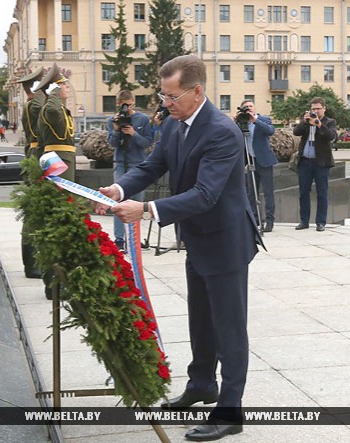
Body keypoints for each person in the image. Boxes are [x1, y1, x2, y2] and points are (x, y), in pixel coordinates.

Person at [96, 55, 262, 441]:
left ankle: (231, 411)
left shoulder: (222, 131)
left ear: (197, 91)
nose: (165, 103)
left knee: (229, 328)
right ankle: (202, 384)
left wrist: (146, 210)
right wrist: (119, 189)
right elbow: (153, 166)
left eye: (171, 96)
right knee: (200, 319)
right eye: (162, 95)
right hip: (197, 239)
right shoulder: (173, 125)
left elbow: (205, 194)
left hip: (225, 242)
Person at [107, 90, 153, 251]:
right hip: (120, 164)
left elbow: (147, 142)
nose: (127, 108)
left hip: (138, 164)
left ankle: (134, 238)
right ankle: (119, 239)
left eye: (130, 104)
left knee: (137, 203)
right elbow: (113, 143)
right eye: (124, 105)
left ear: (133, 102)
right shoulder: (113, 120)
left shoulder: (143, 119)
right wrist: (116, 129)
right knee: (117, 202)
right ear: (119, 104)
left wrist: (133, 133)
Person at [16, 67, 45, 279]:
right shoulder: (34, 105)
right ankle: (32, 264)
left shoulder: (33, 104)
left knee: (35, 214)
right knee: (33, 215)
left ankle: (34, 262)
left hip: (35, 155)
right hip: (36, 157)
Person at [293, 97, 338, 232]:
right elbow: (296, 132)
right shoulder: (307, 121)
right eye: (313, 109)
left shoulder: (330, 122)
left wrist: (319, 124)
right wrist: (304, 121)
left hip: (321, 163)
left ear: (324, 108)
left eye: (318, 108)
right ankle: (304, 221)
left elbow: (332, 136)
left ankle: (320, 222)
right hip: (305, 161)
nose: (315, 111)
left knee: (322, 193)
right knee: (303, 193)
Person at [236, 99, 277, 233]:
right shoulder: (241, 122)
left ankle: (269, 221)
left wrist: (255, 121)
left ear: (254, 107)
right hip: (249, 160)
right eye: (245, 107)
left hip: (264, 161)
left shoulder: (264, 119)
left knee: (268, 192)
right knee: (251, 193)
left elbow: (270, 131)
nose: (248, 109)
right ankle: (254, 220)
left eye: (250, 106)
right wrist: (234, 121)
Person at [34, 63, 76, 180]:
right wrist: (55, 91)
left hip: (63, 158)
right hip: (58, 159)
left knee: (67, 196)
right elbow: (53, 110)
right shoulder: (50, 109)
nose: (67, 88)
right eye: (63, 85)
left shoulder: (60, 109)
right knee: (62, 196)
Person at [16, 67, 45, 157]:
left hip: (36, 151)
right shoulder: (33, 106)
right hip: (39, 152)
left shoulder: (30, 105)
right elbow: (39, 105)